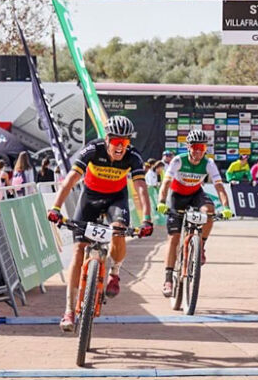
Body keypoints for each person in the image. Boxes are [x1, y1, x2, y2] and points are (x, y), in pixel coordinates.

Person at [46, 115, 154, 332]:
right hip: (90, 198)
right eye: (117, 142)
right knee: (78, 251)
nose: (121, 147)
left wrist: (146, 219)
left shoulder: (133, 156)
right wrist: (56, 208)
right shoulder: (92, 150)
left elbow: (140, 187)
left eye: (125, 142)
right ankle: (68, 310)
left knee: (118, 231)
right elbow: (70, 179)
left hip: (116, 199)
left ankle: (114, 272)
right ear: (107, 140)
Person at [155, 130, 232, 297]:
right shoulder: (178, 160)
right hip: (177, 196)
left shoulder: (208, 163)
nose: (198, 151)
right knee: (174, 239)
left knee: (210, 212)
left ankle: (201, 245)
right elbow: (166, 182)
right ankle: (168, 278)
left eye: (202, 147)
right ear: (188, 147)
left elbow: (219, 186)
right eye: (195, 147)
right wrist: (161, 202)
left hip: (196, 194)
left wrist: (226, 207)